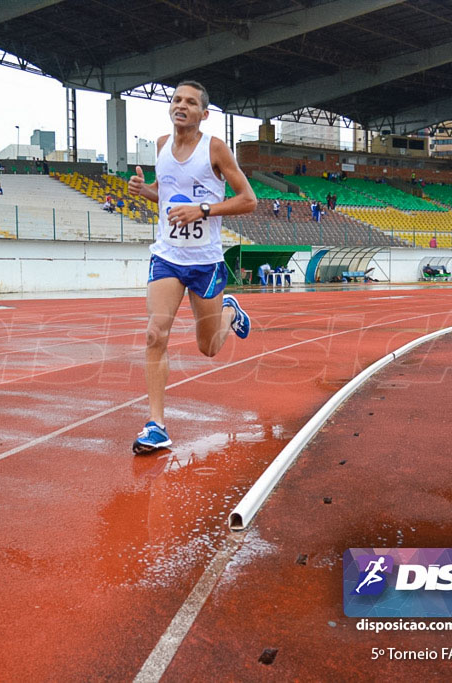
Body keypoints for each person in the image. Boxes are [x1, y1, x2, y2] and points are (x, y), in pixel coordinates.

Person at [127, 80, 257, 455]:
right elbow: (166, 195)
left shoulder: (214, 149)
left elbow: (248, 200)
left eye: (189, 102)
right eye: (176, 100)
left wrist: (203, 210)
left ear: (204, 113)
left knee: (209, 348)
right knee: (155, 334)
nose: (180, 106)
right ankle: (156, 425)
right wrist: (144, 190)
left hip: (205, 261)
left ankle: (229, 312)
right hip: (167, 255)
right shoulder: (161, 146)